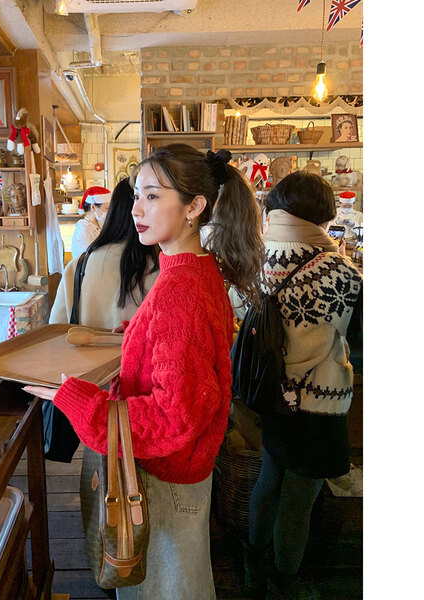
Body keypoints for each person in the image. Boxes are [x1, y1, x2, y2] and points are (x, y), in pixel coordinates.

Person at [25, 143, 264, 600]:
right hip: (181, 470)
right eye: (137, 195)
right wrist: (139, 333)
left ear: (194, 207)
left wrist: (78, 401)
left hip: (165, 477)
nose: (136, 209)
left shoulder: (181, 288)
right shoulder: (192, 268)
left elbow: (175, 415)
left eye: (152, 196)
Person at [238, 171, 363, 600]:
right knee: (299, 499)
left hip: (271, 395)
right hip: (318, 403)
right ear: (324, 213)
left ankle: (253, 570)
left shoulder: (257, 256)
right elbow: (362, 340)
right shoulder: (340, 271)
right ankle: (285, 582)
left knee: (270, 479)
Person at [49, 178, 160, 329]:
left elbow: (55, 329)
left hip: (85, 345)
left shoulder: (78, 266)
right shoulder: (162, 268)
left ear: (114, 212)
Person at [70, 186, 112, 259]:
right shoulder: (83, 229)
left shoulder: (101, 223)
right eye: (107, 208)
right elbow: (92, 257)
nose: (109, 212)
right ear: (93, 207)